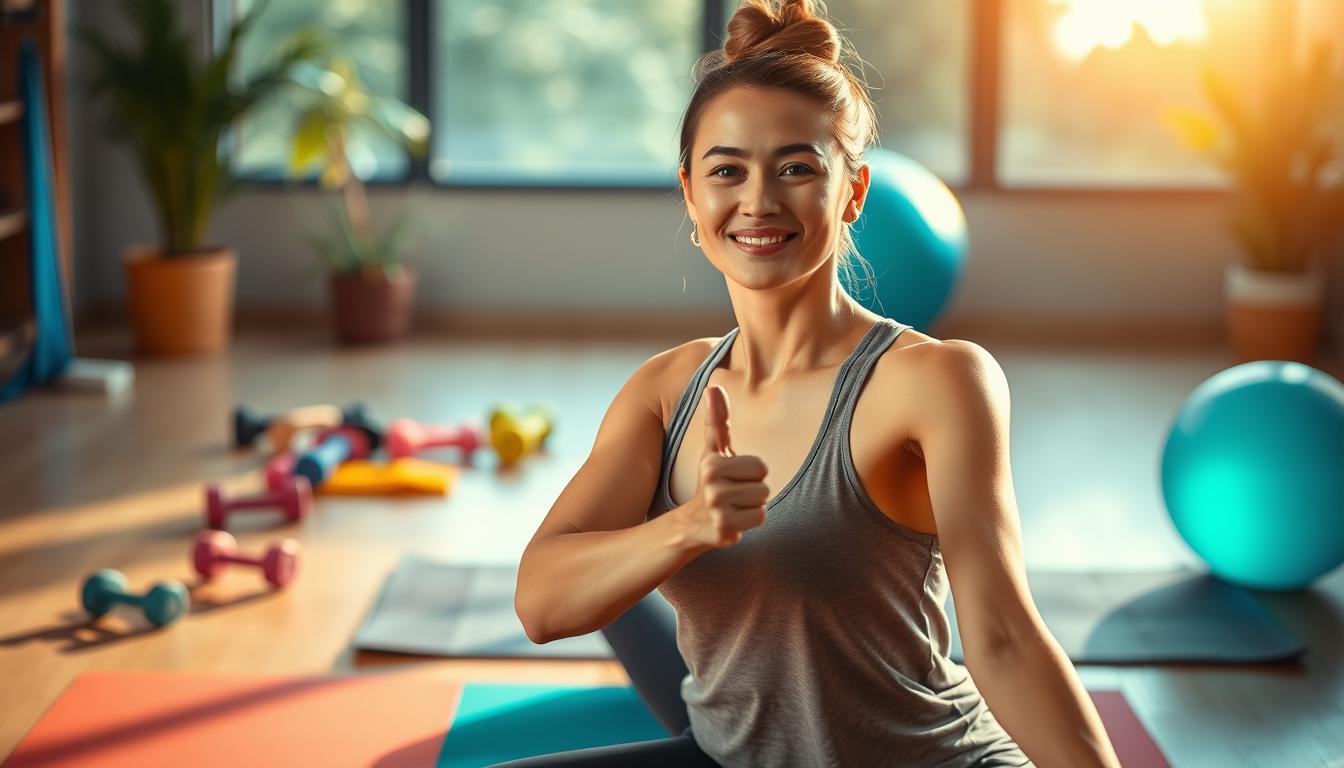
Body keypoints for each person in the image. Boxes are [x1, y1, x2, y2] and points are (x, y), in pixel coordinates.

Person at [509, 1, 1122, 765]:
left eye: (796, 168)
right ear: (691, 195)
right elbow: (540, 604)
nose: (758, 201)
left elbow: (1003, 638)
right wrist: (689, 527)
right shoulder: (666, 390)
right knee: (612, 574)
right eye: (727, 170)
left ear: (854, 192)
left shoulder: (934, 380)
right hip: (731, 752)